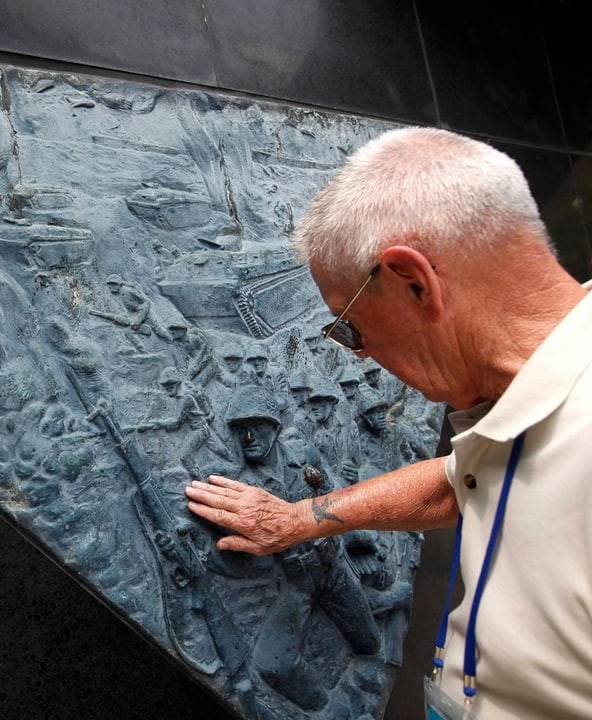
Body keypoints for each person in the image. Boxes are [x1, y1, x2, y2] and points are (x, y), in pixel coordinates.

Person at [185, 127, 592, 720]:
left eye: (349, 326)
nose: (358, 353)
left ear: (414, 282)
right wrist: (296, 520)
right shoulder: (537, 386)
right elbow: (457, 480)